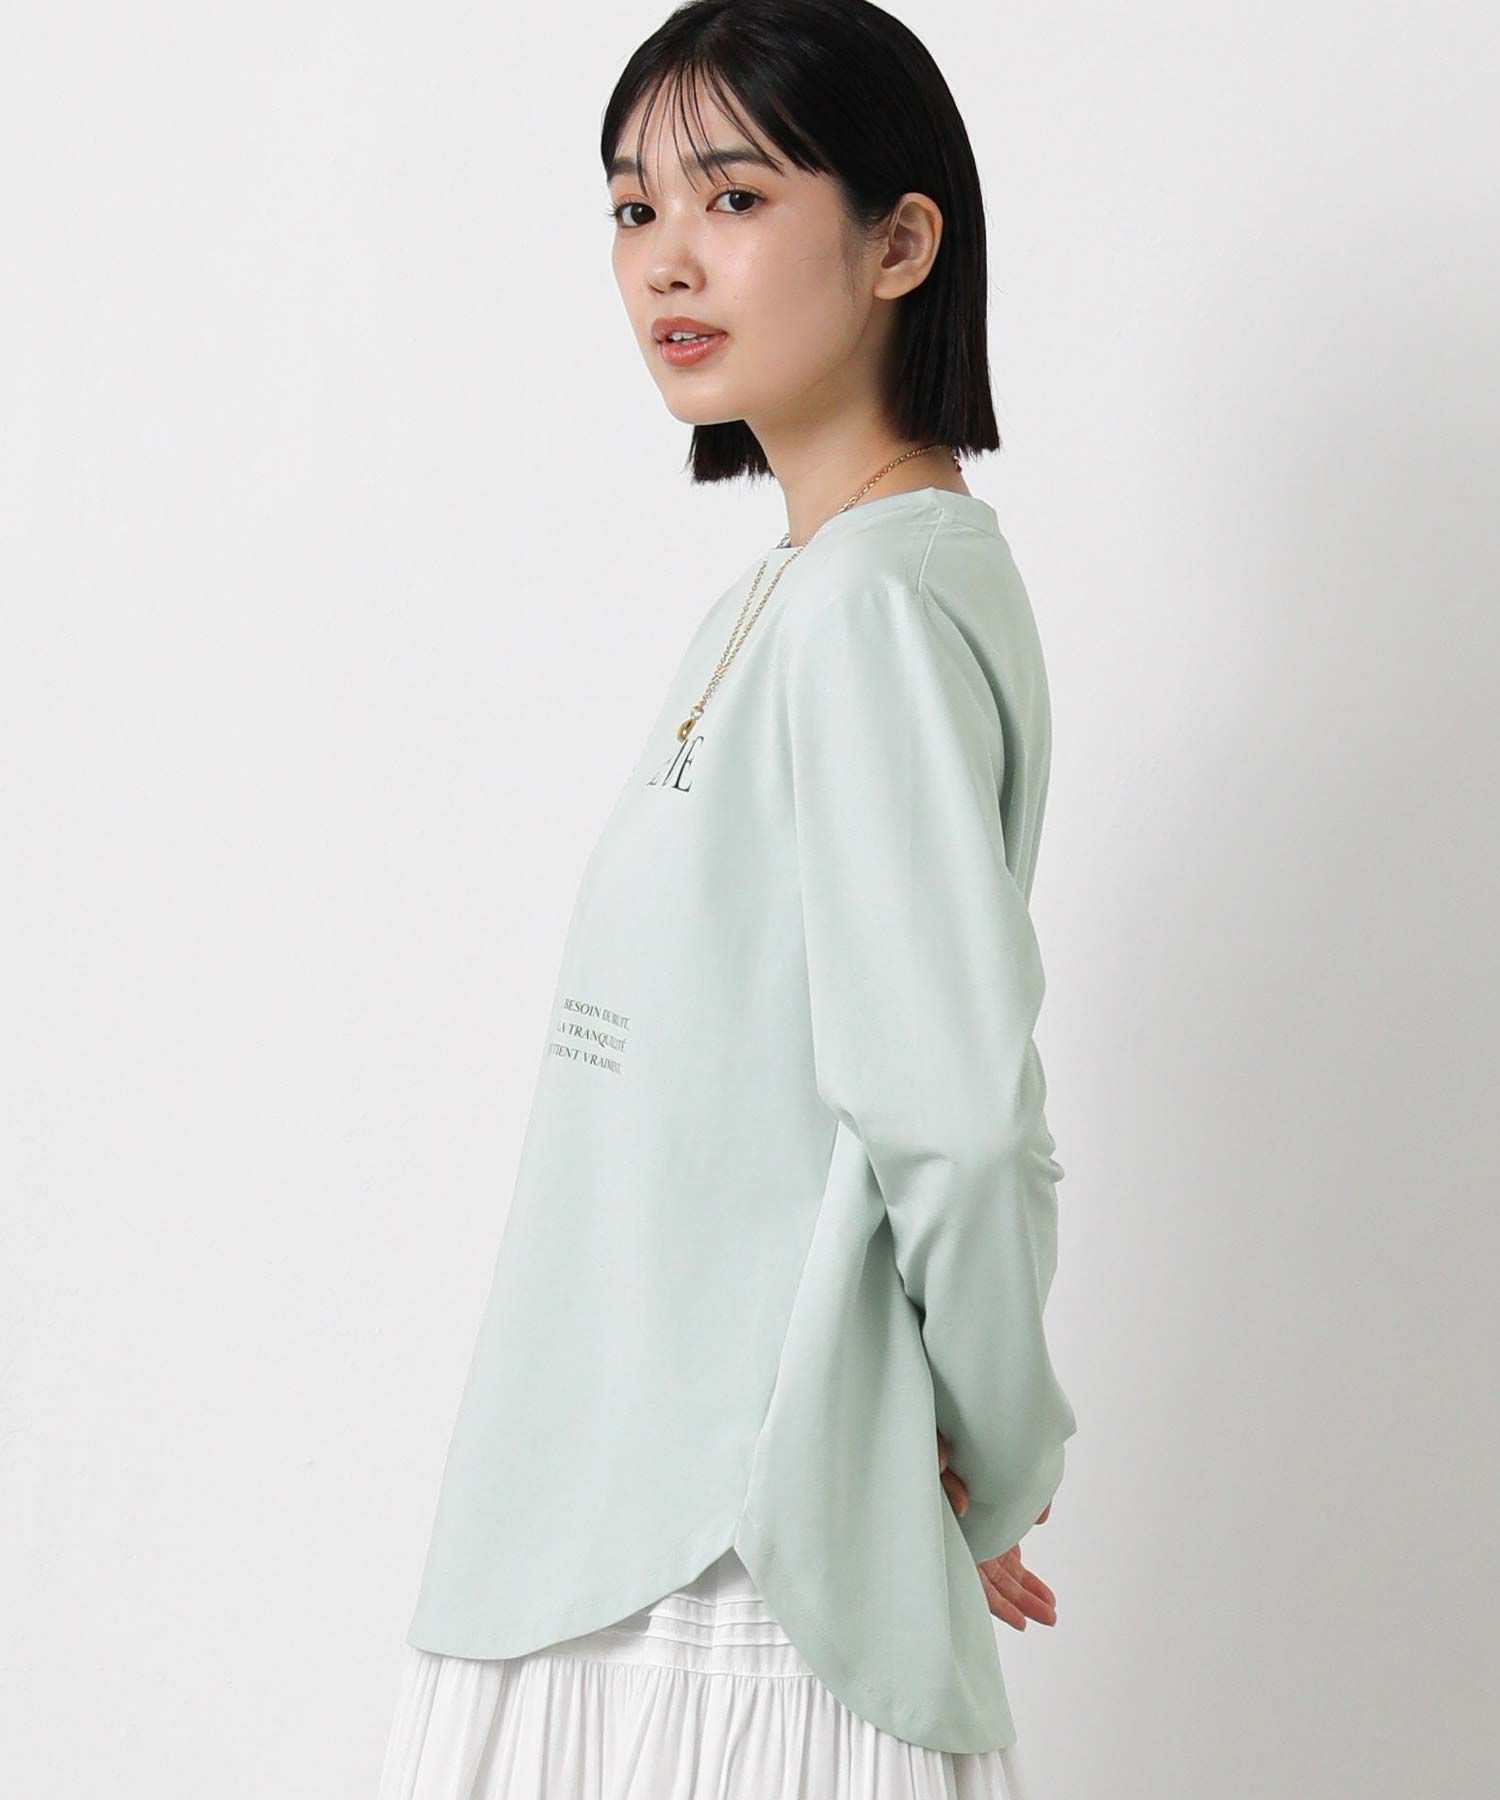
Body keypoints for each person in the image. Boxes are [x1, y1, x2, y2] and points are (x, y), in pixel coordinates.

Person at [376, 2, 1077, 1795]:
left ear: (901, 244)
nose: (665, 259)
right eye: (632, 209)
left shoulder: (868, 608)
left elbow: (957, 1115)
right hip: (631, 1511)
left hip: (725, 1562)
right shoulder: (800, 591)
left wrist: (994, 1464)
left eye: (735, 197)